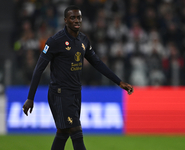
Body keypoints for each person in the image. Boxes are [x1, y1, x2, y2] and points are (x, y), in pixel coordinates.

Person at [22, 5, 134, 150]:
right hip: (60, 93)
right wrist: (30, 98)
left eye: (79, 17)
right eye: (72, 17)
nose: (77, 20)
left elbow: (98, 63)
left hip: (75, 93)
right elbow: (38, 69)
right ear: (65, 20)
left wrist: (119, 82)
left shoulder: (83, 40)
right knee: (76, 131)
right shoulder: (55, 41)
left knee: (63, 133)